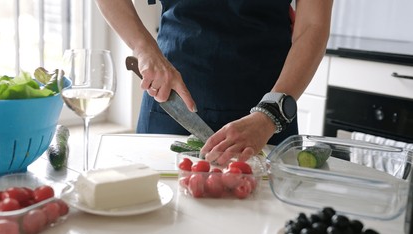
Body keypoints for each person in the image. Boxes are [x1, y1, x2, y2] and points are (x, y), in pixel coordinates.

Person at [95, 0, 333, 162]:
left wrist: (270, 115)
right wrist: (144, 49)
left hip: (269, 110)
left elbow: (313, 25)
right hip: (171, 102)